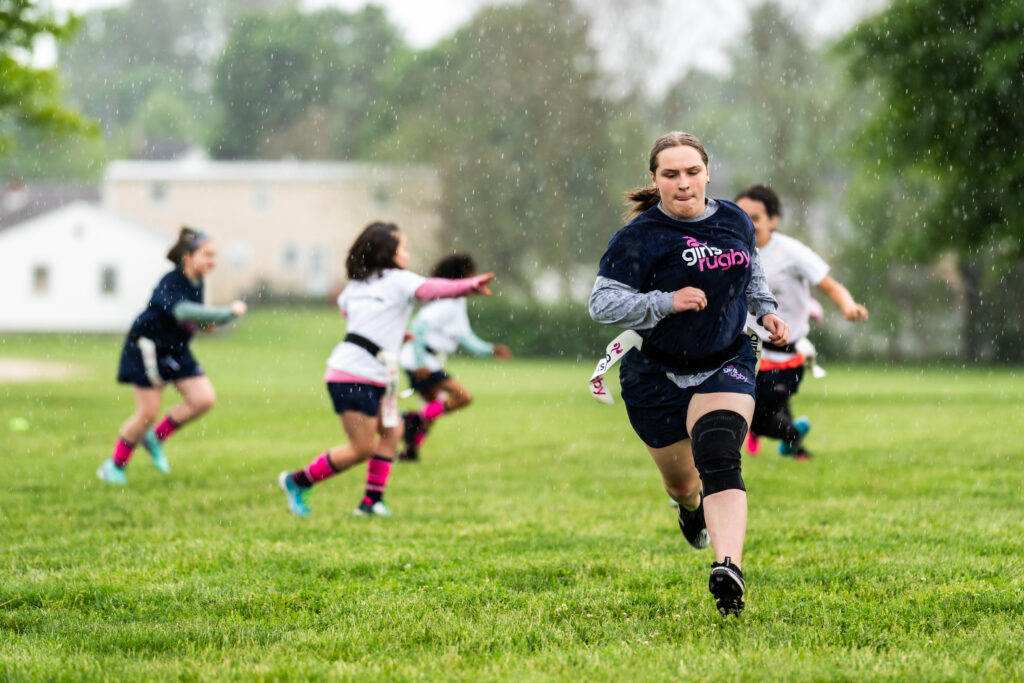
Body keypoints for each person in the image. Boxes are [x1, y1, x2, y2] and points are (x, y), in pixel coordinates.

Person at [588, 132, 789, 617]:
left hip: (725, 359)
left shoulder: (735, 219)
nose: (683, 183)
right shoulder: (638, 238)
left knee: (719, 451)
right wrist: (664, 302)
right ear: (654, 181)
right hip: (654, 376)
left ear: (707, 172)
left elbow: (751, 270)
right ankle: (689, 508)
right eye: (671, 174)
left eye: (692, 172)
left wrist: (765, 311)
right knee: (683, 483)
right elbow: (601, 304)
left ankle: (728, 569)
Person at [276, 222, 495, 518]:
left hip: (374, 372)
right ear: (387, 252)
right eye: (403, 247)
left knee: (393, 431)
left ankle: (371, 502)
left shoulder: (356, 287)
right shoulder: (397, 280)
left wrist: (393, 335)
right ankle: (297, 481)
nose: (407, 252)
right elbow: (429, 288)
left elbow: (350, 313)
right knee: (361, 448)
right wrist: (465, 286)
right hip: (352, 374)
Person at [97, 227, 247, 485]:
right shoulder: (171, 281)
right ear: (188, 257)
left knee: (203, 399)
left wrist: (205, 323)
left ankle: (155, 438)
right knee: (147, 414)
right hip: (147, 348)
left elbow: (195, 317)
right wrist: (227, 313)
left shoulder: (197, 282)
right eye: (207, 254)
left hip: (175, 349)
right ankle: (114, 466)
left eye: (215, 256)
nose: (213, 261)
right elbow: (182, 312)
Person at [735, 185, 868, 460]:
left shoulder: (791, 252)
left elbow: (830, 286)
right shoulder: (731, 251)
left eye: (756, 217)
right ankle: (795, 446)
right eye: (741, 216)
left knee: (757, 419)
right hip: (744, 351)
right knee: (752, 407)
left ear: (774, 220)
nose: (748, 223)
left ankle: (794, 434)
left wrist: (848, 306)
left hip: (784, 357)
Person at [398, 254, 512, 462]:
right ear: (462, 276)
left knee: (433, 409)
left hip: (425, 359)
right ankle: (406, 420)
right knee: (463, 397)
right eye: (470, 273)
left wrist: (489, 350)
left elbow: (464, 337)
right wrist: (421, 361)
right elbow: (418, 327)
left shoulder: (457, 303)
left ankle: (410, 450)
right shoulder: (447, 303)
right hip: (421, 361)